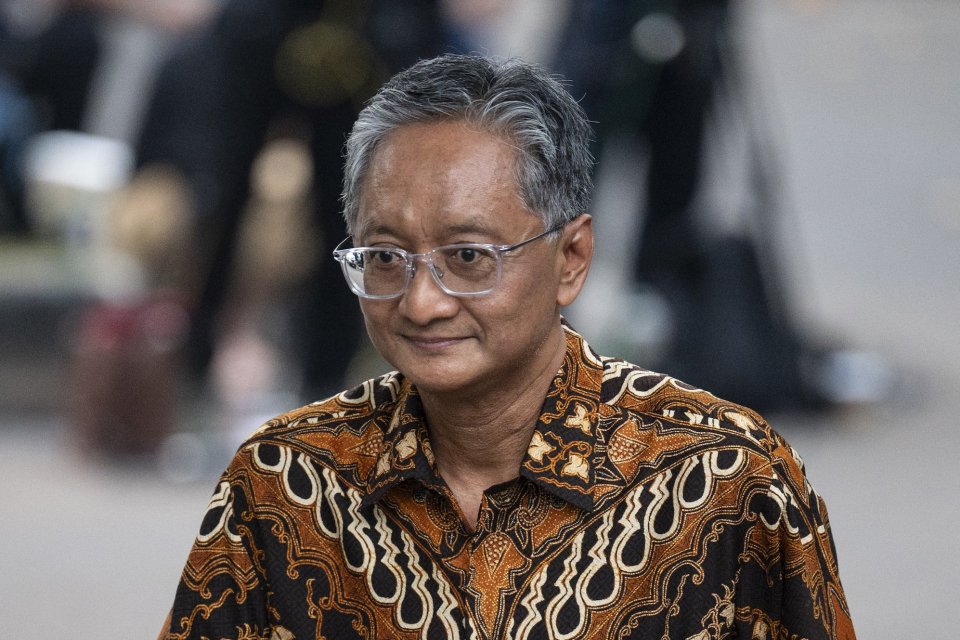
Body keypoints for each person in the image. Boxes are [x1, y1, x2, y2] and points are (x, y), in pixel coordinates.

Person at [159, 54, 856, 640]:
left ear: (571, 258)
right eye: (385, 257)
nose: (422, 303)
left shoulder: (725, 480)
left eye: (468, 257)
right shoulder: (286, 482)